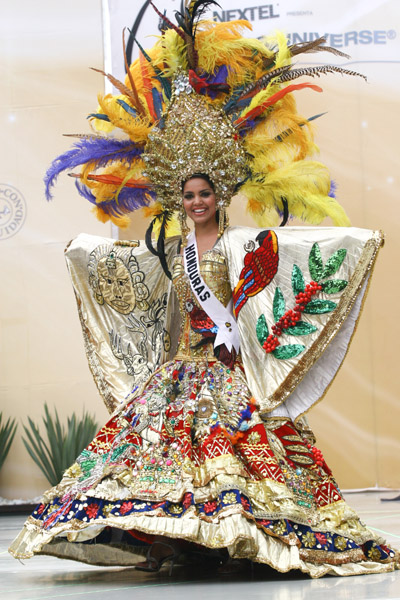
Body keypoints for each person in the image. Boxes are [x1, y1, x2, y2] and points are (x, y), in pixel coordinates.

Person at [9, 2, 399, 577]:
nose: (196, 202)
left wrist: (358, 242)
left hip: (228, 371)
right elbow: (135, 282)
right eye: (187, 195)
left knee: (239, 462)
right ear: (178, 198)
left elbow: (290, 266)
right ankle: (173, 539)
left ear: (219, 194)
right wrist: (83, 255)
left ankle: (232, 538)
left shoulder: (244, 246)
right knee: (154, 461)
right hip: (175, 374)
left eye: (205, 194)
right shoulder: (171, 250)